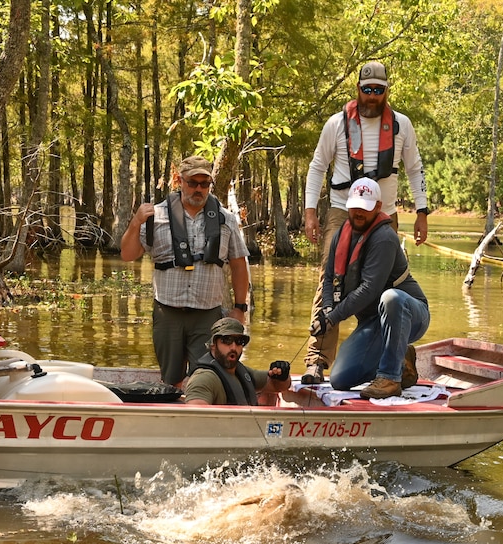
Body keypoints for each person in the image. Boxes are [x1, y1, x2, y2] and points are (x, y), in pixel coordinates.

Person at [302, 60, 429, 384]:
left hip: (385, 211)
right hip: (343, 209)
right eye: (367, 89)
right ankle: (317, 360)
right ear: (358, 89)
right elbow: (317, 166)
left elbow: (415, 169)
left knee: (385, 287)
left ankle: (399, 355)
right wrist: (310, 211)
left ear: (386, 91)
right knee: (330, 281)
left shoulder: (401, 125)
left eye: (379, 90)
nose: (372, 96)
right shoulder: (337, 124)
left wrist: (422, 211)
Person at [121, 155, 250, 388]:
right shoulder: (155, 216)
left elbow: (239, 265)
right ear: (179, 181)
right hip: (167, 311)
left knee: (207, 378)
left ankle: (201, 415)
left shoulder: (226, 220)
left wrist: (240, 308)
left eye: (204, 184)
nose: (198, 189)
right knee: (171, 379)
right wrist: (135, 222)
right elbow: (128, 255)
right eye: (192, 183)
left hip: (207, 314)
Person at [310, 177, 430, 399]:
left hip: (411, 315)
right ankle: (402, 359)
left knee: (391, 298)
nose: (358, 213)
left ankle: (390, 377)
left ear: (377, 207)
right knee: (340, 379)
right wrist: (327, 310)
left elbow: (369, 289)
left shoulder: (384, 238)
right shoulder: (341, 235)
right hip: (373, 323)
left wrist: (333, 318)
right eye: (355, 207)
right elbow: (328, 279)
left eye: (364, 209)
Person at [184, 318, 291, 405]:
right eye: (227, 340)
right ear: (213, 345)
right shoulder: (203, 379)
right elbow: (197, 417)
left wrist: (282, 376)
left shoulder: (242, 372)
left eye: (239, 341)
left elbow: (279, 387)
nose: (234, 347)